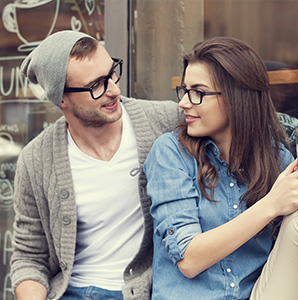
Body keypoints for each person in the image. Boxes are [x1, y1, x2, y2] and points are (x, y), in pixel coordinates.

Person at [10, 30, 182, 300]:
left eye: (112, 73)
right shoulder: (36, 159)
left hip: (143, 290)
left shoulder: (163, 121)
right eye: (96, 85)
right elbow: (29, 257)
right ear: (62, 99)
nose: (114, 89)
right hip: (71, 291)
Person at [144, 36, 298, 300]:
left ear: (236, 96)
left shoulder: (277, 159)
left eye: (198, 92)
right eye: (184, 90)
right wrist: (271, 204)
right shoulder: (171, 153)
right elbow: (189, 260)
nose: (183, 102)